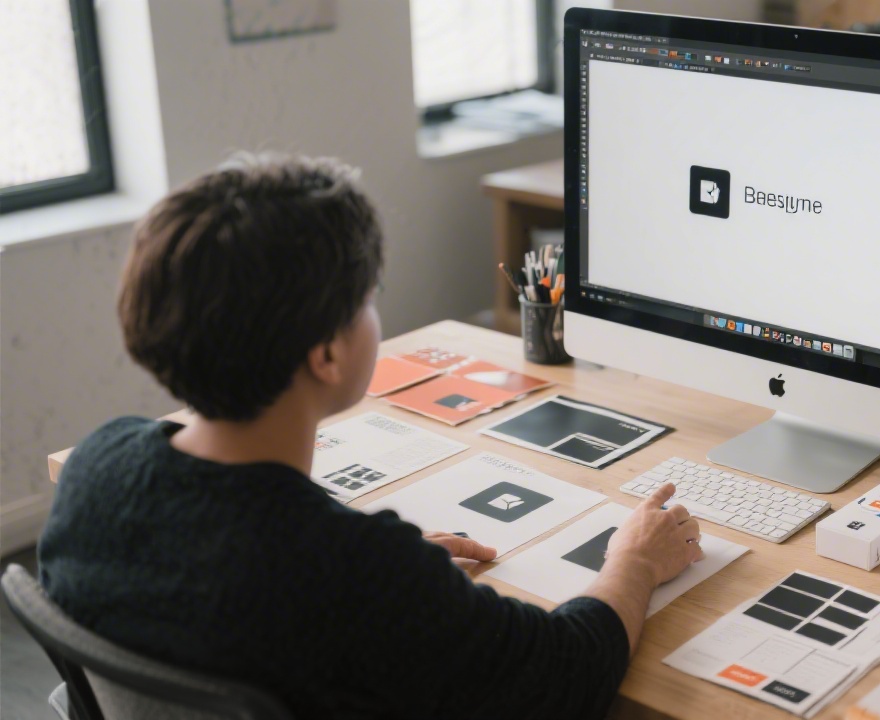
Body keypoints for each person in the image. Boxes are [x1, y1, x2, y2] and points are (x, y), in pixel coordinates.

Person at [38, 155, 702, 719]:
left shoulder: (96, 467)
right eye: (368, 297)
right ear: (326, 353)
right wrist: (635, 562)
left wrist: (403, 590)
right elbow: (565, 676)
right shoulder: (348, 572)